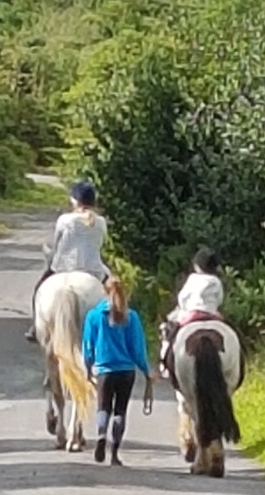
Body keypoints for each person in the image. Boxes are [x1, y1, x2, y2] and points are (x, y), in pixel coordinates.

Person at [25, 180, 111, 343]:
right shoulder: (101, 222)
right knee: (115, 291)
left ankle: (36, 327)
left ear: (75, 200)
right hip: (93, 270)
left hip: (64, 267)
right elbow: (100, 245)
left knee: (39, 289)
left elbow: (57, 244)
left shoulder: (65, 220)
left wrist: (51, 257)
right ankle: (116, 325)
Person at [81, 277, 153, 466]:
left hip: (104, 370)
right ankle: (114, 454)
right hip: (126, 371)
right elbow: (137, 348)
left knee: (103, 407)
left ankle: (101, 434)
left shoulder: (94, 316)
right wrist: (146, 371)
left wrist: (88, 368)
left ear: (104, 292)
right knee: (120, 410)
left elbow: (88, 346)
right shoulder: (131, 317)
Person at [158, 247, 225, 378]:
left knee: (171, 334)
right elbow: (219, 299)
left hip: (192, 313)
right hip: (212, 314)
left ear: (198, 266)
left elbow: (182, 297)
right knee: (232, 330)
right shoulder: (216, 281)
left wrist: (184, 307)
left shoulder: (193, 278)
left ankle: (164, 361)